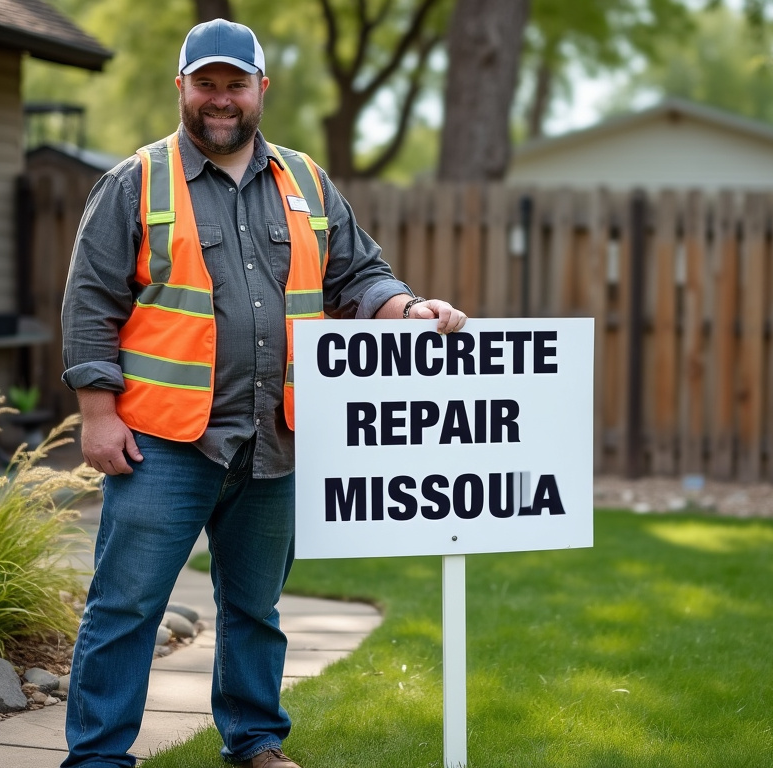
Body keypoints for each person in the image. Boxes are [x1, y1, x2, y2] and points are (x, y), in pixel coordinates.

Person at [59, 18, 467, 768]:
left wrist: (408, 309)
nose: (221, 99)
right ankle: (97, 759)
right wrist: (97, 414)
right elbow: (90, 301)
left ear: (260, 90)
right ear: (180, 87)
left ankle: (253, 742)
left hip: (274, 440)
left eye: (234, 84)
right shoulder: (136, 182)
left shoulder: (307, 183)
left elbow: (357, 275)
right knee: (126, 608)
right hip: (162, 444)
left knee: (255, 609)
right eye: (206, 83)